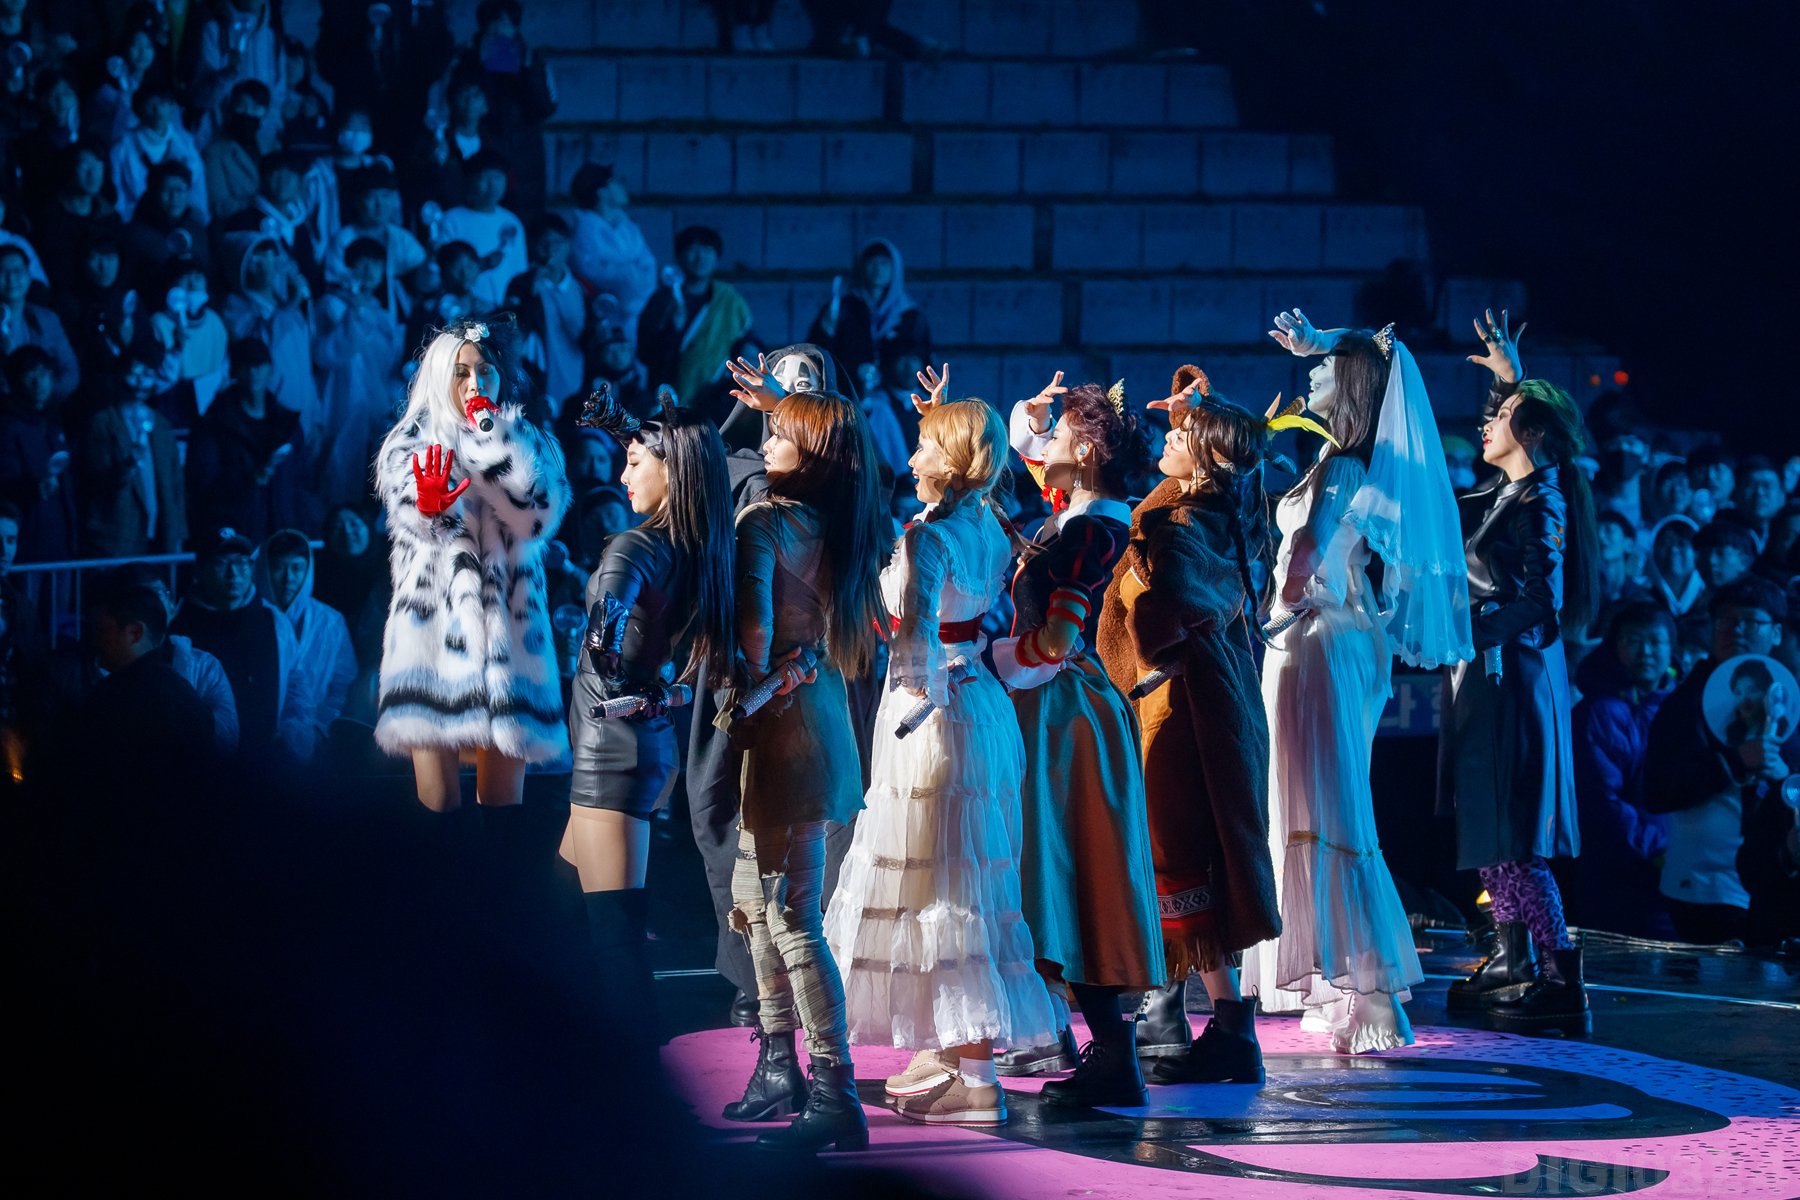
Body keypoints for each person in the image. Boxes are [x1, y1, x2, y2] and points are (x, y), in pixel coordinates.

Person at [1243, 309, 1473, 1054]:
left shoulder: (1343, 466)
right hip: (1326, 637)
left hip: (1319, 638)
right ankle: (1346, 982)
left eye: (1324, 364)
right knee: (1320, 800)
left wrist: (1280, 607)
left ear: (1349, 383)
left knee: (1330, 804)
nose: (1311, 371)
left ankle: (1373, 990)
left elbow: (1310, 549)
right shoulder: (1337, 458)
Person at [825, 397, 1057, 1130]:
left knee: (947, 885)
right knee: (963, 878)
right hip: (978, 704)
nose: (911, 457)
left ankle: (977, 1076)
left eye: (925, 445)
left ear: (953, 461)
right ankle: (954, 1052)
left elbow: (917, 636)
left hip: (934, 716)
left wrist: (911, 685)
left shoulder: (932, 537)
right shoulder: (986, 521)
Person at [1096, 391, 1281, 1086]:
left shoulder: (1177, 527)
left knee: (1179, 858)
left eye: (1183, 434)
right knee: (1196, 856)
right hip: (1218, 698)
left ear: (1207, 460)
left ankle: (1222, 1028)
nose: (1168, 438)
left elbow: (1163, 619)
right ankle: (1208, 1022)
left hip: (1178, 707)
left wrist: (1139, 599)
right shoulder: (1220, 513)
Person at [993, 375, 1163, 1106]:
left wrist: (994, 661)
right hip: (1057, 703)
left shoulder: (1094, 530)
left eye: (1061, 432)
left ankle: (1110, 1055)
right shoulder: (1084, 515)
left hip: (1063, 709)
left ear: (1089, 451)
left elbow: (1059, 639)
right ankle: (1087, 1046)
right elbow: (1038, 465)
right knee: (1058, 867)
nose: (1047, 443)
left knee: (1069, 867)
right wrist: (1029, 421)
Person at [722, 389, 884, 1151]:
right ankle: (780, 1065)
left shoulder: (765, 522)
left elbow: (752, 635)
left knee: (789, 917)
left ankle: (833, 1089)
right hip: (814, 720)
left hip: (781, 728)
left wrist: (734, 677)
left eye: (779, 432)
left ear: (810, 452)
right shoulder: (840, 523)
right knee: (758, 905)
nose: (765, 440)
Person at [1440, 317, 1600, 1039]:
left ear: (1531, 433)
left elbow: (1543, 598)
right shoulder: (1508, 492)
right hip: (1488, 673)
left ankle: (1562, 976)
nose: (1486, 422)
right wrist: (1508, 380)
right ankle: (1512, 958)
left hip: (1514, 674)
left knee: (1515, 834)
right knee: (1491, 827)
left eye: (1500, 415)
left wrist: (1470, 634)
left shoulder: (1543, 499)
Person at [561, 388, 736, 1038]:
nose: (622, 473)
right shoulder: (695, 547)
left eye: (634, 462)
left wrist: (615, 672)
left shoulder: (633, 548)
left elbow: (602, 644)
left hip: (612, 749)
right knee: (564, 911)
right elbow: (678, 445)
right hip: (637, 741)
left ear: (671, 470)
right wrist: (625, 427)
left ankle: (634, 1068)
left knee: (615, 936)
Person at [373, 316, 572, 810]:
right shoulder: (411, 441)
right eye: (461, 372)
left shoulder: (529, 439)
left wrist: (496, 440)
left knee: (502, 817)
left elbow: (536, 520)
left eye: (485, 370)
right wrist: (430, 507)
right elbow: (413, 520)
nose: (474, 383)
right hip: (432, 643)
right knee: (438, 812)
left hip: (513, 642)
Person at [1644, 576, 1795, 945]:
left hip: (1773, 884)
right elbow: (1657, 792)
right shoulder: (1684, 704)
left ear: (1776, 633)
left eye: (1751, 621)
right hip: (1701, 886)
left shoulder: (1790, 702)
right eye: (1726, 620)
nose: (1737, 630)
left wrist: (1784, 780)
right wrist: (1733, 763)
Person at [1571, 602, 1676, 939]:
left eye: (1655, 641)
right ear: (1614, 646)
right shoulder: (1601, 711)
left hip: (1674, 872)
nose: (1646, 652)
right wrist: (1656, 851)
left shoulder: (1678, 705)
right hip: (1618, 873)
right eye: (1634, 640)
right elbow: (1602, 799)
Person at [170, 528, 316, 763]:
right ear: (200, 569)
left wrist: (294, 735)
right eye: (221, 563)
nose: (234, 573)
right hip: (208, 764)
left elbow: (295, 681)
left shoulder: (272, 620)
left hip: (267, 760)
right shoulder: (181, 628)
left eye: (241, 563)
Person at [184, 338, 303, 543]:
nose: (253, 372)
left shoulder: (288, 425)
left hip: (281, 533)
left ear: (270, 369)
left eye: (258, 364)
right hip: (233, 534)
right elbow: (202, 483)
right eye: (245, 365)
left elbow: (301, 482)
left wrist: (302, 526)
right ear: (234, 371)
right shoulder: (213, 424)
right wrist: (248, 479)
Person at [314, 238, 403, 508]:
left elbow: (390, 363)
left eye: (376, 264)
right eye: (362, 263)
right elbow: (326, 354)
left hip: (377, 404)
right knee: (340, 471)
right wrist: (355, 313)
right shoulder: (331, 305)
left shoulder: (382, 312)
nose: (369, 270)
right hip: (342, 400)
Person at [637, 225, 754, 424]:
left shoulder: (729, 301)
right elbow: (645, 351)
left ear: (717, 257)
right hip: (668, 397)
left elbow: (744, 340)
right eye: (692, 250)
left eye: (707, 250)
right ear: (679, 256)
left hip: (714, 398)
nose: (700, 258)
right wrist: (672, 331)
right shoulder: (662, 300)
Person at [80, 355, 185, 558]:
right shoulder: (103, 422)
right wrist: (128, 465)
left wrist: (178, 531)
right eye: (134, 374)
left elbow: (176, 483)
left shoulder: (162, 424)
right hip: (118, 533)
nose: (140, 382)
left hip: (160, 531)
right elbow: (96, 480)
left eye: (147, 374)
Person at [219, 230, 319, 440]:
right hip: (277, 417)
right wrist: (292, 303)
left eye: (267, 254)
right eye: (253, 258)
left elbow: (304, 362)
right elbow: (260, 345)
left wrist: (316, 409)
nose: (263, 263)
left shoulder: (287, 307)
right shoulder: (235, 307)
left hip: (306, 411)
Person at [257, 528, 358, 736]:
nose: (288, 578)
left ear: (308, 570)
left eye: (296, 568)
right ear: (265, 570)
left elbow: (343, 683)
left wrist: (321, 728)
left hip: (319, 735)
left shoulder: (330, 622)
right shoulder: (253, 619)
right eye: (278, 568)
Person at [805, 238, 930, 384]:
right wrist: (826, 330)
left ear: (895, 268)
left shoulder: (909, 315)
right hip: (848, 390)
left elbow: (922, 359)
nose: (877, 269)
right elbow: (818, 353)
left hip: (894, 393)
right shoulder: (843, 309)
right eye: (872, 262)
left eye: (884, 263)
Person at [0, 346, 78, 563]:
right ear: (14, 380)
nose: (38, 382)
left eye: (43, 373)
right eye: (30, 374)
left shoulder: (53, 421)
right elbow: (5, 484)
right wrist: (34, 488)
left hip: (63, 540)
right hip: (27, 542)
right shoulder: (7, 426)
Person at [562, 162, 657, 336]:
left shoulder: (628, 226)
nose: (623, 186)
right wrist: (629, 273)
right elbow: (593, 272)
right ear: (601, 191)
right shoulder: (585, 231)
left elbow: (648, 262)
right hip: (606, 318)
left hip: (641, 313)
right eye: (616, 181)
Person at [506, 214, 586, 416]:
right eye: (543, 244)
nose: (550, 250)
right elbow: (512, 328)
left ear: (568, 245)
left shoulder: (581, 288)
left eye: (556, 243)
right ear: (532, 246)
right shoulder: (521, 284)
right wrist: (531, 294)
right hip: (536, 374)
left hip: (576, 376)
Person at [434, 149, 526, 310]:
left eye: (498, 177)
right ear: (470, 180)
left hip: (505, 311)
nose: (493, 185)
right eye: (485, 177)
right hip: (464, 310)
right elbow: (443, 270)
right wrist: (482, 265)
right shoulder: (451, 219)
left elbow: (519, 270)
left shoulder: (511, 221)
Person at [108, 84, 208, 222]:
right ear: (139, 110)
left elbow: (197, 192)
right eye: (151, 104)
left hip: (180, 221)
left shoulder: (186, 145)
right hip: (139, 221)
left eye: (163, 103)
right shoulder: (122, 148)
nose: (158, 110)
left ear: (172, 107)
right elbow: (118, 195)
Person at [0, 245, 77, 402]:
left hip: (45, 407)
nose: (11, 278)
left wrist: (42, 394)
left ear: (29, 276)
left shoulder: (46, 318)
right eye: (2, 272)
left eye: (17, 271)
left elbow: (70, 371)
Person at [120, 159, 211, 285]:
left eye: (179, 190)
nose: (174, 197)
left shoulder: (197, 231)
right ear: (154, 192)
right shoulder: (135, 235)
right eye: (166, 190)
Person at [203, 79, 271, 224]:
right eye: (242, 106)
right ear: (232, 108)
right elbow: (219, 206)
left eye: (256, 108)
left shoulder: (270, 146)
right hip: (238, 228)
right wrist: (261, 203)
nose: (248, 113)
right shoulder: (216, 152)